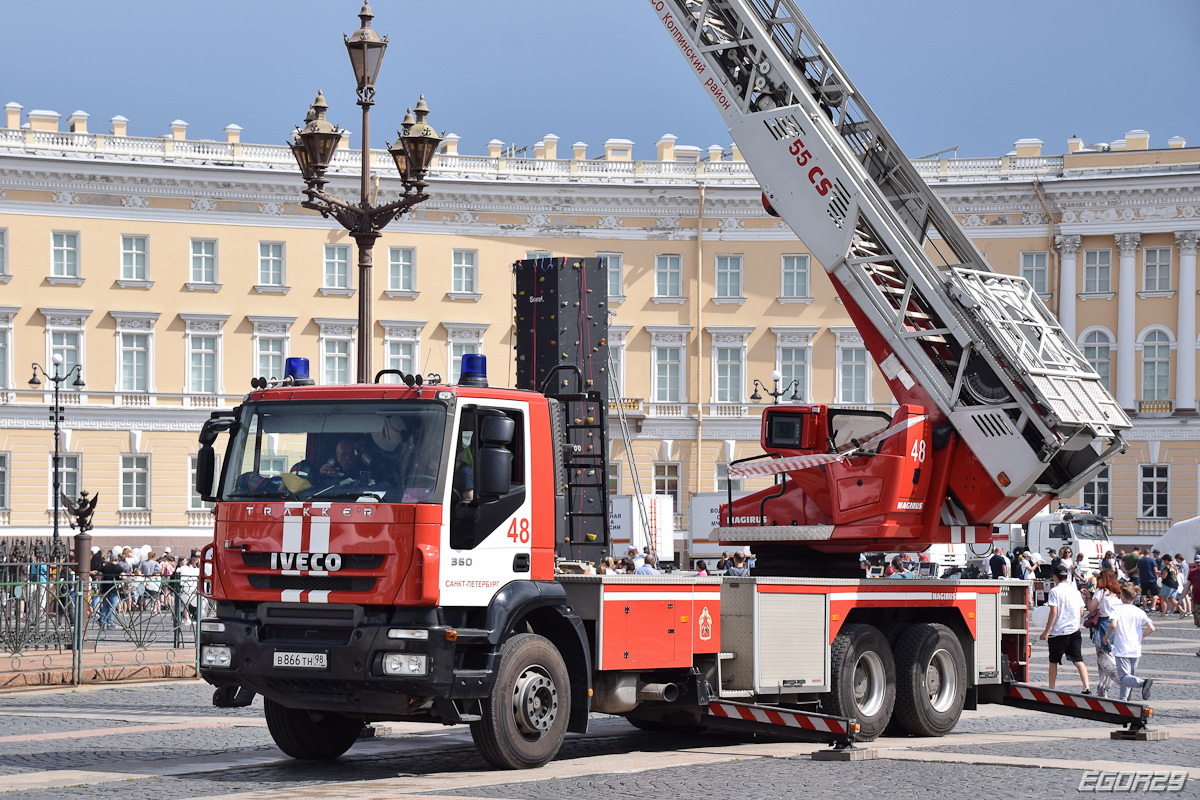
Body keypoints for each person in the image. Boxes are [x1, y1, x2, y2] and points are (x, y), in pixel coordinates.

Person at [1039, 564, 1091, 693]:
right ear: (1066, 576)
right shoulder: (1075, 591)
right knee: (1078, 660)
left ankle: (1051, 687)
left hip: (1058, 632)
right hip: (1074, 630)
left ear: (1055, 577)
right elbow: (1081, 612)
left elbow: (1053, 612)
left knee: (1053, 661)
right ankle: (1086, 687)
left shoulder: (1054, 591)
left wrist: (1046, 631)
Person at [1103, 583, 1156, 700]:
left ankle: (1143, 683)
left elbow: (1113, 624)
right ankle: (1123, 700)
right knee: (1128, 677)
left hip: (1122, 647)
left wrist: (1106, 637)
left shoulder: (1117, 608)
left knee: (1123, 678)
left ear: (1122, 596)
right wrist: (1141, 636)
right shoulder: (1139, 611)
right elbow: (1151, 628)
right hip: (1135, 648)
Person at [1087, 568, 1121, 698]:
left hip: (1103, 626)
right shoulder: (1117, 593)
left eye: (1100, 578)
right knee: (1108, 656)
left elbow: (1092, 608)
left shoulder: (1101, 591)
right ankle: (1102, 689)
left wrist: (1088, 597)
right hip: (1116, 626)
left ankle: (1123, 681)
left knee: (1104, 658)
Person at [1188, 554, 1200, 655]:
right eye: (1197, 562)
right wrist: (1181, 598)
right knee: (1199, 625)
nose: (1199, 564)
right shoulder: (1192, 573)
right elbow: (1187, 586)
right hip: (1197, 602)